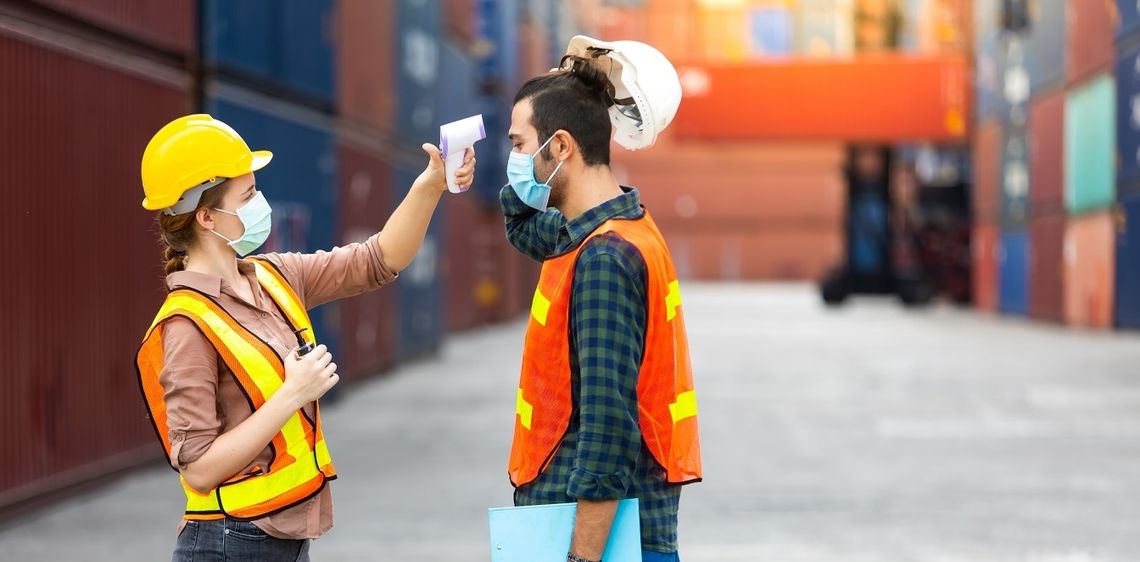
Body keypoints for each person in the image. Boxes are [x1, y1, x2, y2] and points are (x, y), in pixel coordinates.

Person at [134, 114, 474, 561]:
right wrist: (292, 393)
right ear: (207, 216)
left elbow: (378, 259)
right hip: (229, 543)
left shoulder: (273, 277)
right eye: (249, 194)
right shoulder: (185, 327)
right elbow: (198, 469)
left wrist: (431, 184)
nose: (261, 203)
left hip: (280, 538)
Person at [500, 37, 702, 562]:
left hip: (602, 541)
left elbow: (608, 428)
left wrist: (583, 557)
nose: (514, 160)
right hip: (585, 528)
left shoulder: (604, 259)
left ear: (560, 146)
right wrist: (557, 91)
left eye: (520, 145)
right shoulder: (605, 229)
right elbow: (525, 231)